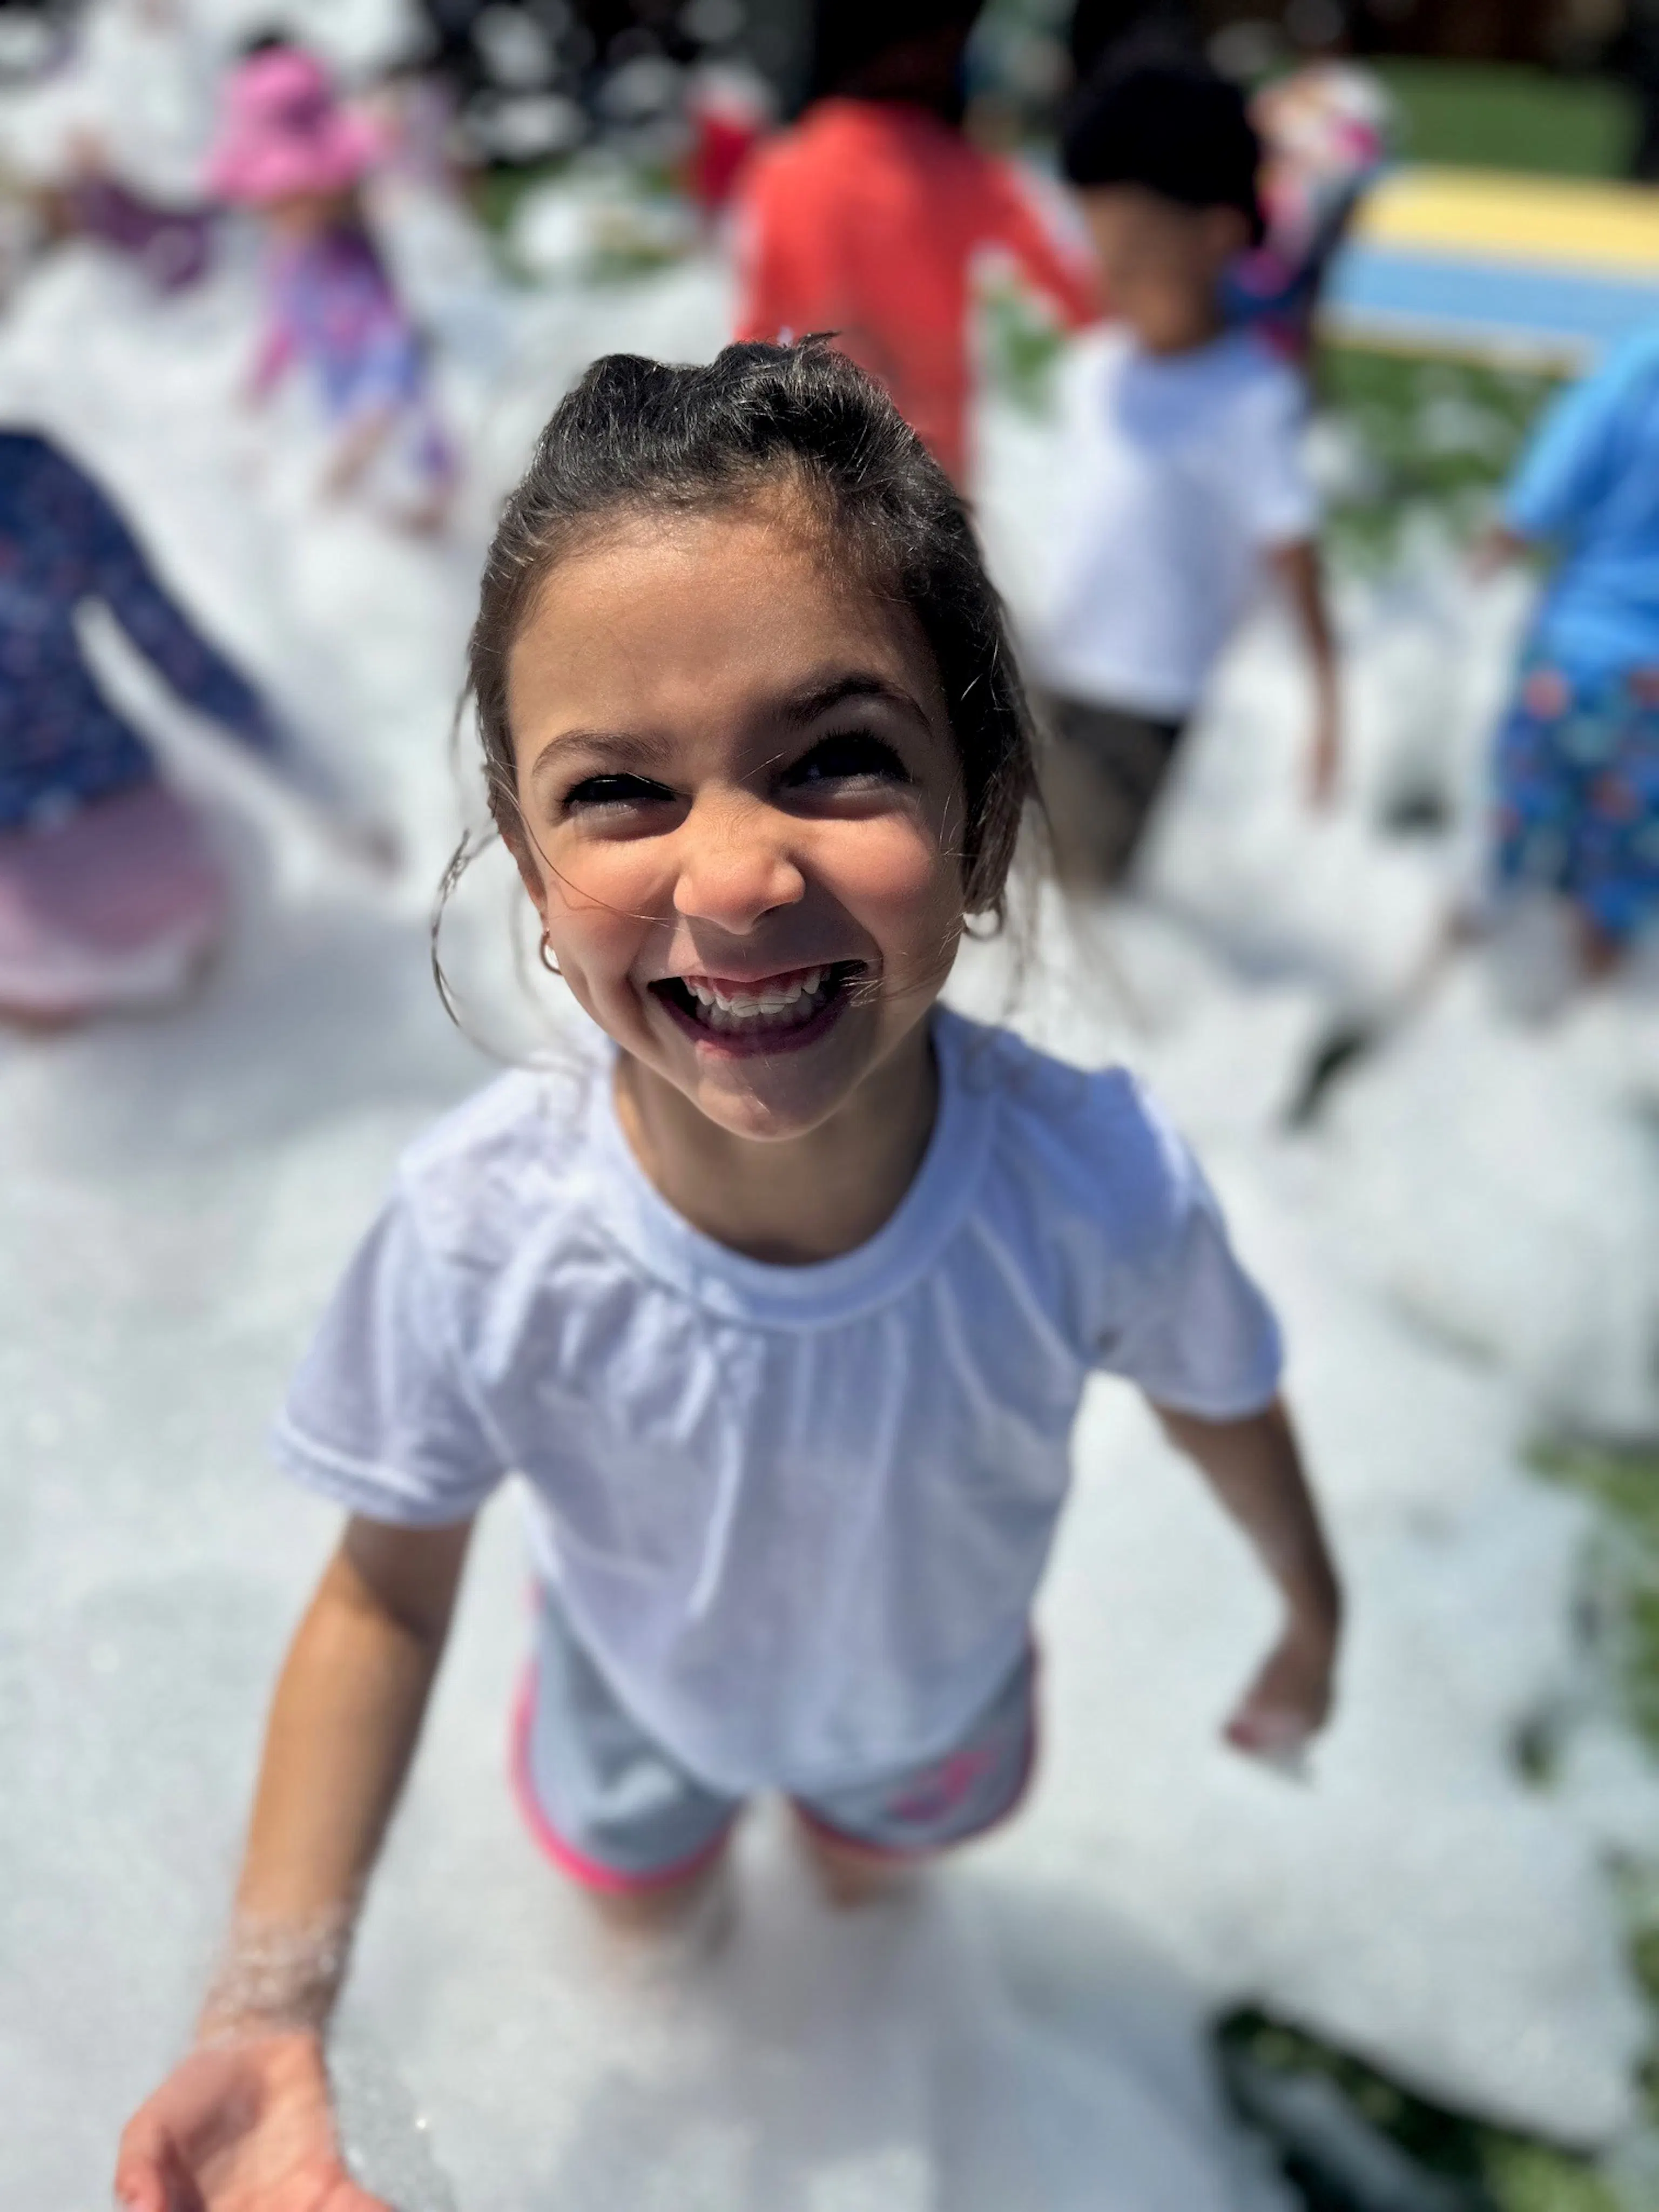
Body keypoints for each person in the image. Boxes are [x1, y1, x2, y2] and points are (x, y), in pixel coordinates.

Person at [113, 341, 1341, 2211]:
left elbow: (1218, 1394)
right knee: (646, 1947)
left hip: (926, 1706)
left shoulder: (1090, 1184)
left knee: (865, 1909)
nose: (739, 875)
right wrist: (269, 2006)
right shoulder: (480, 1232)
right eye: (620, 790)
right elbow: (381, 1599)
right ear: (530, 865)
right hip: (637, 1709)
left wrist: (1307, 1610)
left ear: (984, 813)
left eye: (837, 756)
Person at [1032, 59, 1339, 890]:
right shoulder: (1094, 369)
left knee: (1084, 888)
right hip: (1054, 666)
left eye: (1134, 252)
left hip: (1148, 697)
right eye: (1099, 248)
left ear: (1217, 236)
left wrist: (1326, 704)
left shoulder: (1250, 395)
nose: (1108, 274)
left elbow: (1294, 551)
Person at [0, 428, 334, 1027]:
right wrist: (309, 773)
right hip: (173, 868)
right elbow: (173, 646)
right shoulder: (33, 471)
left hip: (31, 917)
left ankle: (61, 1017)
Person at [731, 0, 1096, 487]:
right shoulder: (967, 173)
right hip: (930, 481)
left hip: (812, 466)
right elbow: (1083, 298)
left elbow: (752, 338)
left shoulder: (785, 167)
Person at [206, 46, 456, 532]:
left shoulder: (357, 260)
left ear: (326, 187)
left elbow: (393, 341)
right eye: (267, 201)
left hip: (398, 437)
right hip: (342, 421)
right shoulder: (286, 261)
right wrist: (258, 386)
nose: (274, 212)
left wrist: (374, 421)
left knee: (411, 535)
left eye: (287, 197)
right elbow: (284, 328)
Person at [1474, 323, 1659, 979]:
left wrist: (1501, 541)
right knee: (1618, 874)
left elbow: (1549, 481)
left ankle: (1460, 979)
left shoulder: (1637, 366)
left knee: (1512, 834)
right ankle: (1592, 994)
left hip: (1571, 653)